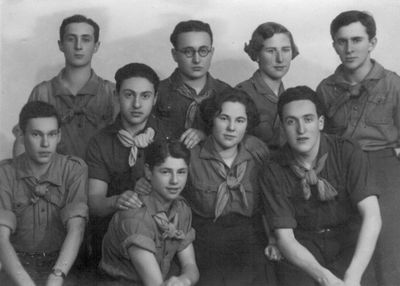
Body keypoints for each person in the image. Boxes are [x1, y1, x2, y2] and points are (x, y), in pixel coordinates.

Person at [260, 86, 381, 286]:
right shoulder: (273, 170)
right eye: (291, 122)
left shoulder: (347, 152)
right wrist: (327, 280)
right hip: (303, 245)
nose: (301, 130)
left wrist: (353, 278)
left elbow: (372, 215)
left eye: (308, 119)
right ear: (282, 127)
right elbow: (285, 238)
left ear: (321, 122)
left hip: (347, 241)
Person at [316, 10, 400, 285]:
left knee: (388, 246)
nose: (349, 48)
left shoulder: (393, 84)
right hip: (343, 171)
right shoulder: (326, 89)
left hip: (384, 169)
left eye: (357, 40)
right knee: (350, 244)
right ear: (334, 45)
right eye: (342, 41)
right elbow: (322, 139)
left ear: (372, 42)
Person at [184, 88, 277, 286]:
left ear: (247, 124)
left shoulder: (257, 153)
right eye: (224, 118)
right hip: (206, 240)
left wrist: (273, 239)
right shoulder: (191, 157)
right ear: (211, 120)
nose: (231, 128)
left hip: (251, 238)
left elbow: (270, 205)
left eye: (240, 121)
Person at [86, 63, 169, 264]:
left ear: (155, 98)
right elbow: (95, 202)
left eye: (145, 96)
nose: (137, 104)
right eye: (129, 95)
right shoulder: (100, 141)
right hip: (112, 242)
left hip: (159, 239)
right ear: (116, 96)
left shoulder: (168, 137)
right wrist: (117, 201)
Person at [0, 101, 88, 286]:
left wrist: (57, 276)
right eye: (36, 134)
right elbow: (1, 237)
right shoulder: (5, 173)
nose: (45, 143)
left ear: (59, 136)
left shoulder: (74, 169)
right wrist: (25, 282)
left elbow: (77, 228)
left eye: (52, 134)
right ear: (23, 136)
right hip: (17, 266)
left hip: (63, 264)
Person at [13, 14, 116, 159]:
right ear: (60, 45)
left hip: (101, 179)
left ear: (96, 46)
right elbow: (23, 142)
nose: (78, 46)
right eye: (71, 39)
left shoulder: (112, 92)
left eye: (86, 40)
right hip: (53, 178)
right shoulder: (43, 92)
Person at [98, 139, 199, 286]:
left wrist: (184, 281)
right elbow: (155, 283)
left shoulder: (181, 209)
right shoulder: (135, 217)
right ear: (148, 172)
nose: (175, 181)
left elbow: (190, 267)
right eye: (165, 172)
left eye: (181, 172)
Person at [155, 20, 230, 148]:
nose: (196, 59)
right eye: (188, 52)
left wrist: (206, 135)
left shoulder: (227, 93)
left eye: (203, 51)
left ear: (211, 53)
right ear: (174, 55)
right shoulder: (157, 92)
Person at [237, 22, 299, 150]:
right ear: (257, 54)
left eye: (286, 50)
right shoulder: (241, 94)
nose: (280, 59)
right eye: (271, 51)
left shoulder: (290, 96)